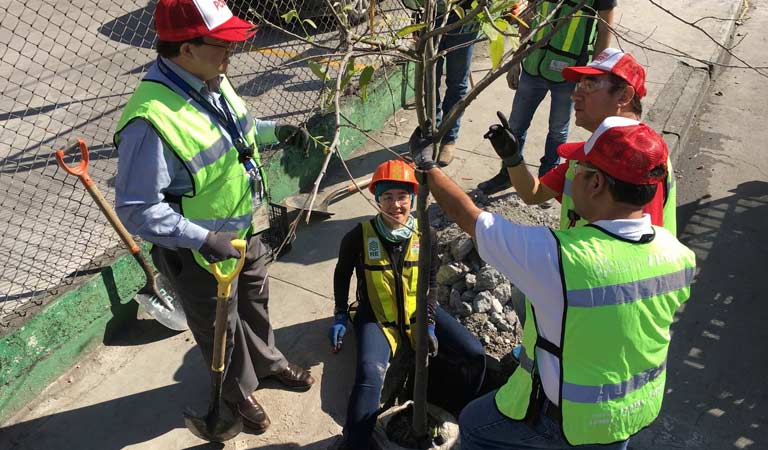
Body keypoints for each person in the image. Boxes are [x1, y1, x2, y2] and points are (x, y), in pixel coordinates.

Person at [409, 117, 695, 449]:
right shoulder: (678, 254)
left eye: (580, 170)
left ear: (596, 183)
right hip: (632, 412)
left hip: (568, 421)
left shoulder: (560, 258)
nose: (573, 176)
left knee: (474, 424)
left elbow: (471, 218)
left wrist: (427, 165)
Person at [113, 0, 315, 434]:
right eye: (221, 43)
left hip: (245, 229)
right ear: (185, 49)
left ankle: (269, 363)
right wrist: (202, 238)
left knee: (254, 304)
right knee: (219, 329)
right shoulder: (150, 120)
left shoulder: (211, 77)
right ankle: (237, 394)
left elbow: (237, 127)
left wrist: (274, 131)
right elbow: (136, 208)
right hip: (201, 252)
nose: (231, 53)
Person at [329, 159, 486, 449]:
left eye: (402, 197)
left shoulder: (426, 234)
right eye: (387, 197)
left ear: (413, 198)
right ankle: (354, 443)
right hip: (376, 315)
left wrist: (428, 322)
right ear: (377, 199)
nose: (395, 205)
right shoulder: (358, 237)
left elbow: (431, 283)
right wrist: (340, 314)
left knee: (473, 354)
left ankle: (445, 406)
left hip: (418, 310)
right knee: (369, 375)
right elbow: (342, 274)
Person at [484, 48, 678, 235]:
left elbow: (637, 248)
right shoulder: (592, 153)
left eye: (589, 86)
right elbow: (534, 194)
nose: (575, 95)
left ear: (624, 96)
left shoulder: (640, 162)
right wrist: (513, 159)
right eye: (579, 86)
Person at [478, 0, 616, 197]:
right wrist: (517, 59)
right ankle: (508, 175)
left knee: (558, 131)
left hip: (569, 72)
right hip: (533, 65)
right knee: (516, 126)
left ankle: (548, 183)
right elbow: (529, 16)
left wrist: (589, 76)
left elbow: (605, 31)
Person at [401, 0, 479, 166]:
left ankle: (449, 138)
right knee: (428, 80)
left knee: (457, 82)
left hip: (465, 16)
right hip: (431, 14)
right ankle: (430, 134)